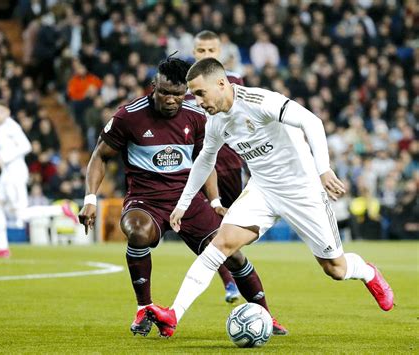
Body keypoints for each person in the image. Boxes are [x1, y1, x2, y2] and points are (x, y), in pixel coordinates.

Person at [145, 58, 394, 337]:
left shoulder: (258, 100)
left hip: (302, 191)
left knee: (335, 268)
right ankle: (173, 315)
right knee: (221, 244)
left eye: (201, 93)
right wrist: (183, 203)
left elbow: (311, 121)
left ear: (221, 83)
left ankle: (368, 272)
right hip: (263, 190)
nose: (198, 101)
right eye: (194, 95)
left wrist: (323, 170)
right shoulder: (215, 121)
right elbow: (205, 160)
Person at [78, 57, 287, 337]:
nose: (171, 100)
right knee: (138, 233)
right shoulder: (128, 116)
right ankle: (144, 308)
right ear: (154, 86)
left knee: (232, 254)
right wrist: (90, 198)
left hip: (186, 201)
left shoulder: (196, 115)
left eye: (178, 94)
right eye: (164, 92)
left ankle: (266, 317)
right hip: (145, 200)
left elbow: (206, 160)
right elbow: (99, 156)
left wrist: (214, 201)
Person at [189, 30, 245, 303]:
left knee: (232, 226)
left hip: (232, 165)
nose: (206, 55)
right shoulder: (187, 90)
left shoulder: (233, 82)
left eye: (211, 50)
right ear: (193, 52)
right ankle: (229, 282)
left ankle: (236, 276)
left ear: (219, 52)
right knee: (210, 227)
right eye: (201, 51)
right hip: (200, 169)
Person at [0, 104, 78, 259]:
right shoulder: (2, 128)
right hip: (7, 173)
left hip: (15, 174)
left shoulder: (11, 126)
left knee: (21, 214)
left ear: (7, 112)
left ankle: (61, 209)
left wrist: (3, 159)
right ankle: (3, 248)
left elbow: (26, 146)